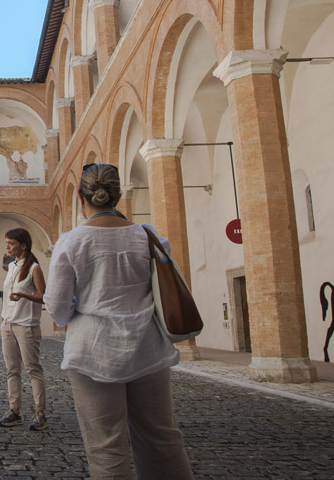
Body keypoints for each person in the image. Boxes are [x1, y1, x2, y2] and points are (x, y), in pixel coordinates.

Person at [44, 163, 194, 480]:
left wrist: (79, 309)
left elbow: (57, 308)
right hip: (148, 349)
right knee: (163, 440)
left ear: (83, 199)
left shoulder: (71, 242)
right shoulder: (150, 236)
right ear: (118, 196)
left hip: (92, 353)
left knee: (106, 447)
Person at [0, 227, 48, 431]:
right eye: (7, 242)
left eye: (11, 243)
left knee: (33, 369)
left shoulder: (34, 268)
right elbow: (9, 295)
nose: (7, 246)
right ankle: (14, 411)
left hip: (26, 325)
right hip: (8, 324)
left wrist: (24, 296)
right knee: (11, 370)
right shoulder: (12, 266)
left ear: (23, 245)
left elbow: (44, 296)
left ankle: (40, 414)